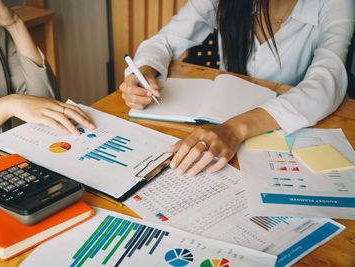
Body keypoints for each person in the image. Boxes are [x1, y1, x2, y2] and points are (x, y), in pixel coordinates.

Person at [119, 0, 355, 177]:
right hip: (221, 124)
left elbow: (327, 82)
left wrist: (234, 129)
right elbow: (165, 41)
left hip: (294, 129)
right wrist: (144, 72)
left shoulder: (334, 3)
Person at [0, 0, 95, 163]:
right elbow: (17, 105)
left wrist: (14, 23)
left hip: (6, 162)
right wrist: (6, 106)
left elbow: (44, 100)